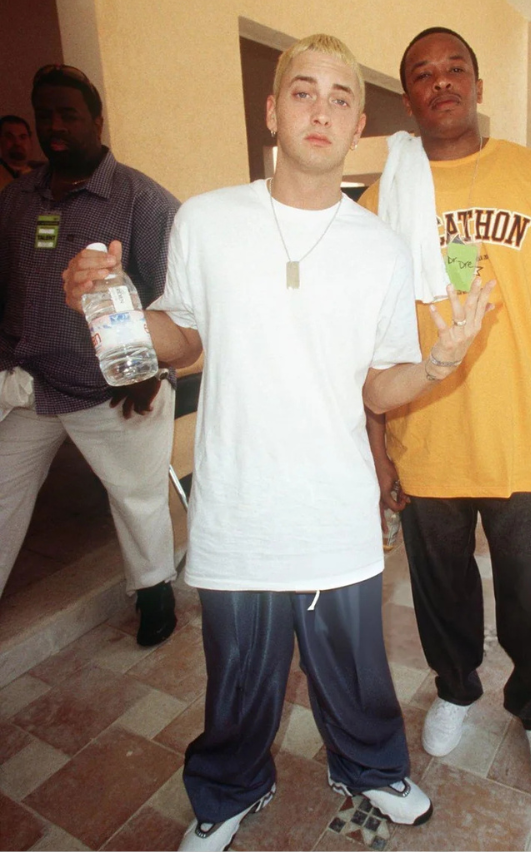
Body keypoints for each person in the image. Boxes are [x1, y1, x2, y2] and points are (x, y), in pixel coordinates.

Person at [62, 34, 495, 851]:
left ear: (359, 119)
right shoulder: (208, 220)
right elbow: (182, 339)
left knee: (358, 673)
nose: (321, 110)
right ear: (272, 110)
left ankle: (369, 766)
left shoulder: (381, 249)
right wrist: (108, 304)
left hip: (335, 508)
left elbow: (379, 385)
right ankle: (228, 788)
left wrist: (436, 362)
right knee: (238, 680)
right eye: (303, 92)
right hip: (238, 503)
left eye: (339, 97)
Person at [360, 25, 531, 798]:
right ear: (407, 95)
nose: (440, 82)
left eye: (454, 69)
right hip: (425, 436)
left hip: (522, 436)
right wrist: (377, 450)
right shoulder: (384, 197)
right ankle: (454, 688)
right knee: (440, 591)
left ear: (478, 84)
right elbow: (363, 341)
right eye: (422, 73)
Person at [0, 66, 179, 646]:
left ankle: (154, 596)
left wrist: (150, 372)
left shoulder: (140, 198)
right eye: (44, 113)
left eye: (68, 114)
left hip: (115, 388)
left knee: (138, 500)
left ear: (97, 121)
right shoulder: (18, 199)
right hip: (32, 382)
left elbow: (176, 296)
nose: (54, 126)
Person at [0, 114, 41, 191]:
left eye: (23, 137)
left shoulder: (43, 175)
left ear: (30, 140)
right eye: (10, 137)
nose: (17, 143)